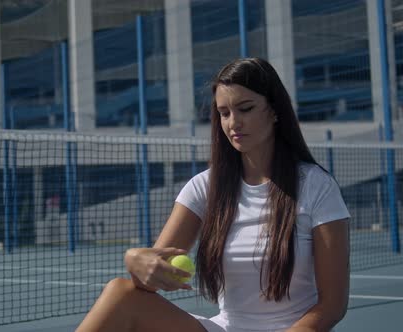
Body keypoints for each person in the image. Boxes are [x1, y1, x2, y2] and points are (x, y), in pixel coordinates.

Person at [76, 57, 350, 332]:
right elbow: (150, 280)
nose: (234, 123)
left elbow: (332, 306)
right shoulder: (202, 188)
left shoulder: (317, 186)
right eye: (224, 112)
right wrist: (134, 260)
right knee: (120, 293)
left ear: (274, 110)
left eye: (245, 108)